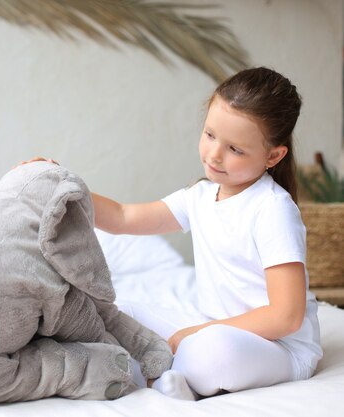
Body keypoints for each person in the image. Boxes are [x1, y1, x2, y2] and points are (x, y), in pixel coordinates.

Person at [20, 67, 323, 400]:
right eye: (210, 135)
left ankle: (160, 373)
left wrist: (198, 332)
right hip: (215, 327)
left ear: (273, 156)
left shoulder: (273, 209)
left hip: (276, 347)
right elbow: (123, 217)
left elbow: (286, 316)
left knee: (213, 352)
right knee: (120, 315)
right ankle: (165, 378)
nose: (214, 154)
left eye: (235, 149)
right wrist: (62, 185)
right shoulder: (201, 196)